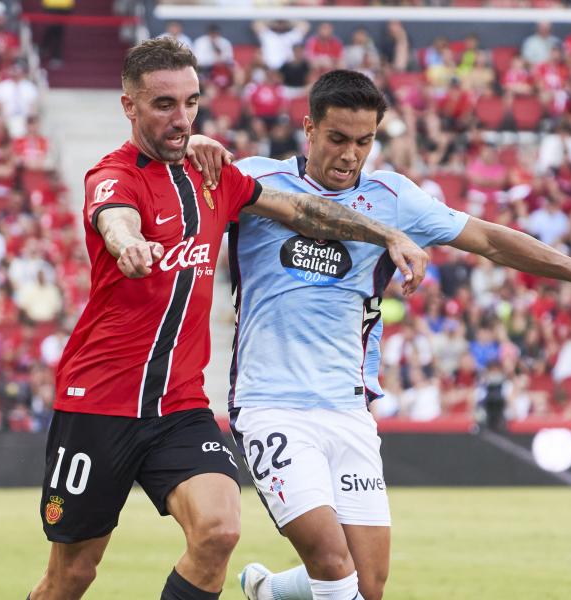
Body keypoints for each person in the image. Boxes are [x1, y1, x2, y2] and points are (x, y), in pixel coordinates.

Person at [186, 70, 571, 600]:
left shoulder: (394, 198)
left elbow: (490, 241)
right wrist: (195, 146)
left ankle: (267, 592)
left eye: (364, 142)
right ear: (309, 130)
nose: (349, 155)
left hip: (347, 409)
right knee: (332, 565)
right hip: (271, 405)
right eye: (337, 139)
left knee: (370, 583)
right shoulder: (255, 180)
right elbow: (178, 179)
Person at [27, 38, 427, 600]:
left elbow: (301, 209)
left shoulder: (213, 177)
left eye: (191, 102)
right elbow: (112, 215)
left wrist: (387, 233)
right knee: (72, 575)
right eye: (164, 104)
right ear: (130, 106)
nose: (182, 117)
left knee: (220, 530)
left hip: (181, 406)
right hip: (99, 402)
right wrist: (128, 243)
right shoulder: (114, 175)